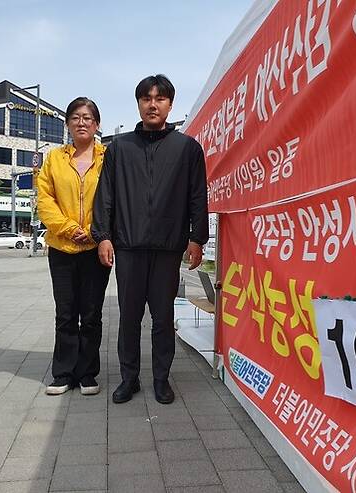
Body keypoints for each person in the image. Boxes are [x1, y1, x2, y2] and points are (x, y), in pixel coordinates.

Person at [91, 75, 208, 404]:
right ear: (139, 103)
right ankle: (129, 379)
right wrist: (103, 236)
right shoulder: (120, 149)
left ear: (170, 104)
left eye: (160, 98)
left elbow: (197, 196)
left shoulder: (187, 149)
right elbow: (106, 197)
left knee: (162, 318)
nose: (152, 104)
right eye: (146, 98)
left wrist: (197, 237)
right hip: (128, 248)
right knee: (128, 318)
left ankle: (160, 379)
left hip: (168, 248)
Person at [37, 97, 110, 396]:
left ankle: (87, 373)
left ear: (97, 124)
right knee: (65, 312)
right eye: (76, 117)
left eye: (88, 117)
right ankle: (64, 373)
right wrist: (69, 230)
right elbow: (45, 200)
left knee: (91, 313)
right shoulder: (53, 159)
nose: (82, 122)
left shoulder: (109, 158)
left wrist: (95, 233)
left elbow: (113, 198)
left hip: (96, 249)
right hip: (62, 249)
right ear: (67, 123)